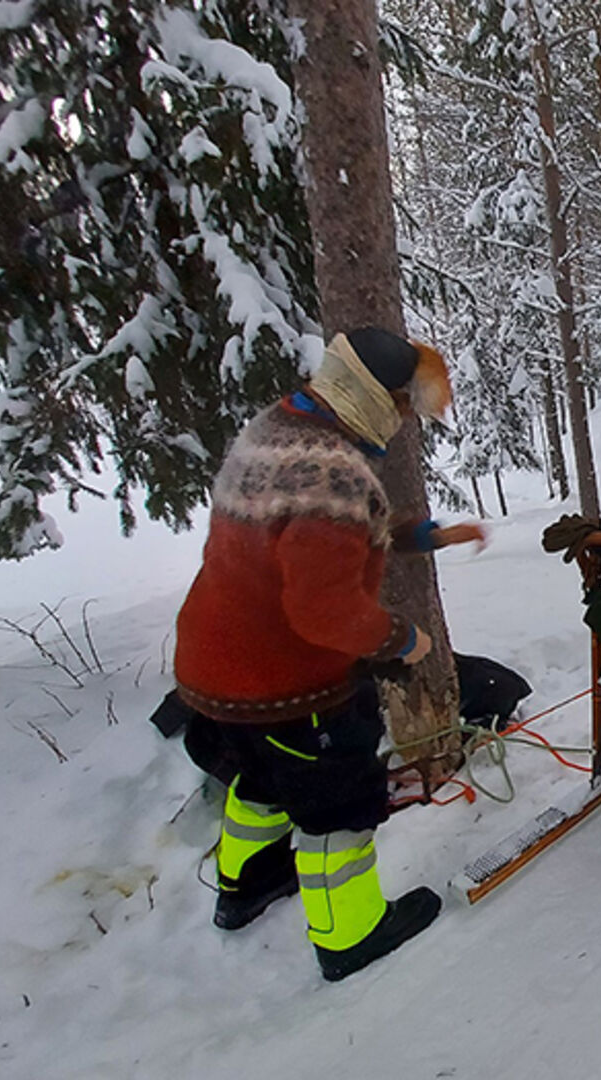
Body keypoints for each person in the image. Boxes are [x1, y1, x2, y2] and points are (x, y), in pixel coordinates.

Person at [174, 327, 485, 982]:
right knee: (335, 806)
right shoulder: (336, 477)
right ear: (378, 399)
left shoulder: (278, 429)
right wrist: (403, 640)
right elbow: (323, 609)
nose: (405, 422)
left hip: (215, 670)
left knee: (259, 784)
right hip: (284, 683)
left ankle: (245, 889)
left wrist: (425, 535)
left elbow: (305, 530)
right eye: (405, 406)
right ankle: (351, 933)